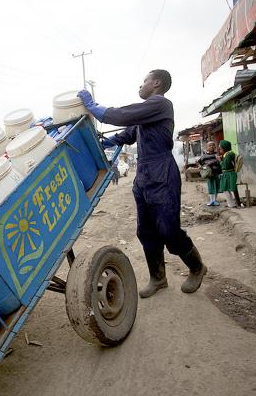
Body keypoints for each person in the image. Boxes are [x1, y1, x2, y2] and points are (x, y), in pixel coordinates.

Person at [77, 69, 207, 298]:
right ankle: (158, 278)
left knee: (168, 230)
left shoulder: (160, 104)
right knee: (146, 230)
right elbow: (124, 135)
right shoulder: (146, 117)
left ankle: (197, 267)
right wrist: (99, 142)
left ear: (156, 83)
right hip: (145, 175)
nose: (141, 85)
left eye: (144, 81)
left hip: (162, 173)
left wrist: (92, 105)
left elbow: (118, 116)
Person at [198, 141, 221, 206]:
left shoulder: (217, 155)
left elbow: (220, 162)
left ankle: (215, 200)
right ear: (206, 147)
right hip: (209, 174)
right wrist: (202, 167)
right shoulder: (204, 156)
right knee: (211, 186)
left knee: (217, 186)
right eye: (210, 145)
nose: (211, 146)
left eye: (213, 145)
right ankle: (211, 201)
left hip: (217, 173)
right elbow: (199, 163)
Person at [217, 140, 238, 208]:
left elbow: (225, 166)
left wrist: (220, 161)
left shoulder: (228, 155)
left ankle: (231, 204)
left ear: (224, 148)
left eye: (220, 149)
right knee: (228, 189)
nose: (219, 150)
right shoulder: (229, 153)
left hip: (228, 174)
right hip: (229, 174)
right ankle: (232, 203)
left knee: (226, 189)